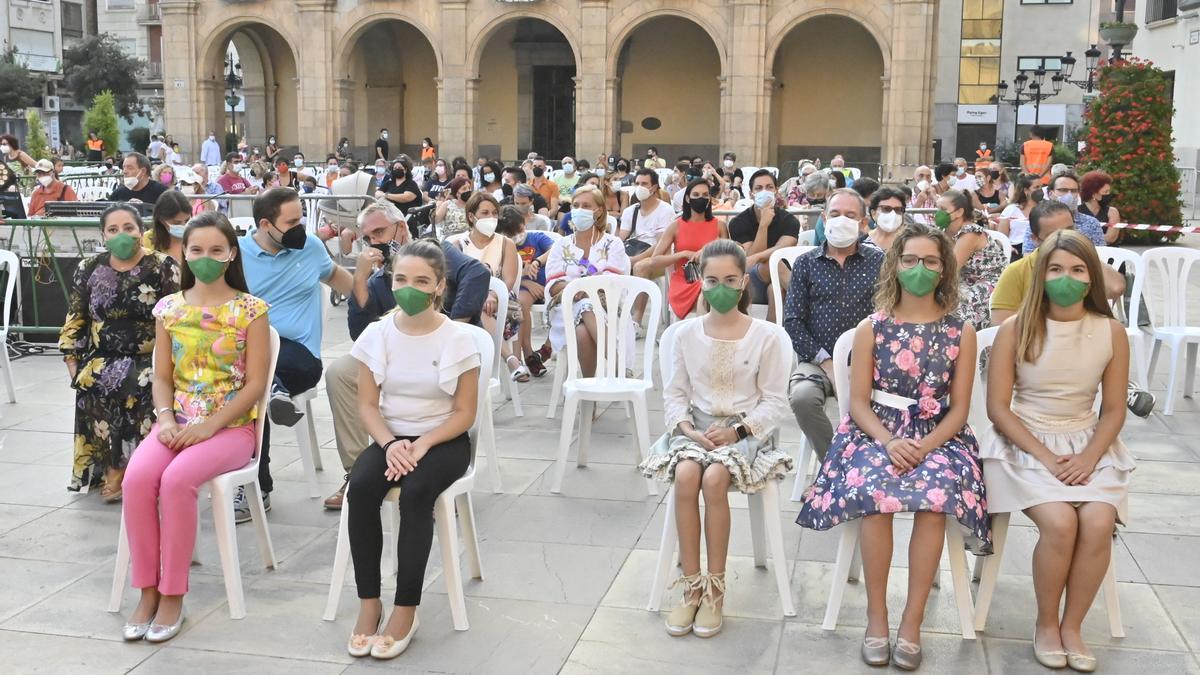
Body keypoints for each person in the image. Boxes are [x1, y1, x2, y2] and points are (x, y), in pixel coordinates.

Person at [796, 223, 989, 669]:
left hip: (940, 435)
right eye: (909, 260)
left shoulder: (961, 331)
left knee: (935, 498)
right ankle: (877, 616)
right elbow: (858, 404)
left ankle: (912, 621)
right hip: (876, 431)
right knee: (875, 493)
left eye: (930, 261)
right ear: (895, 266)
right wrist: (889, 441)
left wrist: (923, 446)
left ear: (944, 270)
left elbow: (960, 410)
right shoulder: (872, 328)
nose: (919, 268)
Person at [981, 229, 1133, 672]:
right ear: (1040, 275)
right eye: (1055, 269)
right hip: (1024, 442)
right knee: (1062, 521)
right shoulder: (1016, 328)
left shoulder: (1111, 331)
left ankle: (1074, 626)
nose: (1065, 278)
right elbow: (997, 409)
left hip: (1087, 441)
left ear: (1092, 279)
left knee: (1099, 518)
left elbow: (1113, 410)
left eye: (1077, 270)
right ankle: (1046, 624)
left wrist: (1088, 457)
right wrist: (1046, 457)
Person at [119, 211, 268, 644]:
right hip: (176, 421)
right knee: (138, 479)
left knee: (177, 480)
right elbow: (162, 376)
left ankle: (172, 595)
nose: (205, 257)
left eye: (216, 250)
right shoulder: (168, 308)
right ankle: (146, 590)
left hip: (231, 427)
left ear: (231, 254)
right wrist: (165, 419)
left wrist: (210, 426)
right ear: (184, 252)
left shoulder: (250, 310)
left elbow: (256, 384)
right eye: (197, 249)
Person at [640, 239, 792, 638]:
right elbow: (674, 392)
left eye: (729, 279)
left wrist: (736, 431)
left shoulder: (767, 336)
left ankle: (716, 590)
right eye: (711, 280)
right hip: (697, 427)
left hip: (746, 429)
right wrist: (687, 427)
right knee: (688, 475)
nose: (720, 287)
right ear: (699, 281)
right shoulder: (685, 333)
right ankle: (691, 587)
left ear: (743, 282)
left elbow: (776, 402)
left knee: (713, 479)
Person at [342, 239, 481, 661]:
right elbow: (367, 405)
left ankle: (406, 609)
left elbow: (464, 413)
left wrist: (420, 445)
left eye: (421, 281)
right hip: (391, 437)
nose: (409, 288)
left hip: (443, 439)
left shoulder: (457, 338)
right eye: (401, 278)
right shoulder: (377, 333)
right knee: (361, 488)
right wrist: (390, 444)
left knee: (418, 494)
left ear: (439, 286)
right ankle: (370, 603)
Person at [323, 200, 489, 509]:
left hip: (444, 345)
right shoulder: (380, 276)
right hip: (397, 349)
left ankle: (433, 472)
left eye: (380, 232)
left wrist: (458, 322)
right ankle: (357, 468)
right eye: (367, 236)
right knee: (339, 373)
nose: (375, 241)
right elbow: (362, 335)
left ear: (400, 227)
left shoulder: (433, 250)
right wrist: (358, 280)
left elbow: (477, 273)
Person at [237, 188, 355, 521]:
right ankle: (255, 483)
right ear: (265, 224)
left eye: (301, 219)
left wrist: (377, 302)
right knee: (252, 383)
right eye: (291, 222)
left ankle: (256, 489)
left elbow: (341, 280)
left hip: (298, 353)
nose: (299, 228)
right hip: (251, 348)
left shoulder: (311, 248)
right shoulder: (238, 256)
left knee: (255, 382)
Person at [60, 204, 181, 497]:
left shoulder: (163, 266)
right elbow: (76, 316)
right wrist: (72, 359)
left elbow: (179, 317)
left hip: (151, 356)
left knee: (136, 380)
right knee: (93, 379)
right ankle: (111, 465)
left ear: (141, 231)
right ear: (103, 234)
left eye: (128, 228)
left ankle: (134, 468)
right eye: (113, 230)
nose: (121, 235)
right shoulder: (88, 268)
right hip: (102, 355)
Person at [990, 201, 1153, 418]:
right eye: (1053, 235)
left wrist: (1087, 258)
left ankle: (1118, 388)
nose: (1063, 240)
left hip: (1084, 344)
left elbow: (1116, 287)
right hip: (1036, 350)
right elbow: (1000, 325)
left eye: (1069, 231)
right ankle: (1124, 389)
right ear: (1036, 240)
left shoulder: (1083, 267)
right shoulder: (1018, 272)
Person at [783, 189, 885, 459]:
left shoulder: (879, 261)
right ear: (824, 219)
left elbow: (888, 315)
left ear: (864, 223)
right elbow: (792, 321)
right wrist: (827, 363)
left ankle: (870, 466)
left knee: (882, 404)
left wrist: (861, 364)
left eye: (850, 215)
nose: (842, 220)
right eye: (835, 214)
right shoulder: (806, 263)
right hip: (817, 360)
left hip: (869, 361)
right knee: (803, 398)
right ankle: (834, 466)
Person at [545, 185, 632, 377]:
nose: (578, 210)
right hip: (567, 306)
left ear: (598, 210)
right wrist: (577, 290)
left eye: (586, 205)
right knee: (584, 304)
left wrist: (583, 290)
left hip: (606, 306)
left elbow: (612, 280)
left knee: (583, 330)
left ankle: (588, 395)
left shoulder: (612, 243)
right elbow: (552, 282)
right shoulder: (561, 244)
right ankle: (618, 368)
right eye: (575, 205)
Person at [639, 179, 728, 321]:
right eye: (696, 194)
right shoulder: (676, 226)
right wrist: (684, 254)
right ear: (687, 198)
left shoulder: (720, 226)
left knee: (713, 289)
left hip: (713, 277)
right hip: (685, 279)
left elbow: (729, 256)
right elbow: (655, 261)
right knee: (706, 292)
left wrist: (709, 250)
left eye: (705, 195)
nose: (701, 198)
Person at [457, 193, 525, 380]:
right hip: (467, 301)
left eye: (494, 213)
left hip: (501, 302)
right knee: (475, 302)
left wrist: (493, 295)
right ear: (472, 216)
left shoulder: (506, 244)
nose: (491, 218)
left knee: (480, 305)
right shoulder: (458, 243)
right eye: (485, 213)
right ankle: (510, 359)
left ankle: (510, 360)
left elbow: (509, 280)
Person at [728, 169, 801, 323]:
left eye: (769, 187)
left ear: (776, 191)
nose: (764, 192)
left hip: (780, 279)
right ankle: (804, 297)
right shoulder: (738, 222)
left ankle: (771, 338)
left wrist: (757, 257)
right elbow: (749, 260)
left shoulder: (790, 220)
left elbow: (782, 249)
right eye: (758, 188)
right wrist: (763, 225)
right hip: (751, 281)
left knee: (775, 289)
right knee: (774, 262)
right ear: (750, 194)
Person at [498, 205, 556, 378]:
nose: (517, 235)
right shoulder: (505, 247)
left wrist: (537, 262)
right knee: (521, 305)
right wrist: (526, 282)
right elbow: (505, 274)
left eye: (520, 230)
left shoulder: (536, 238)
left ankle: (546, 348)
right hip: (523, 288)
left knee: (562, 308)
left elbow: (555, 250)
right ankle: (528, 353)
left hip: (548, 285)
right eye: (511, 234)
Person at [936, 189, 1006, 329]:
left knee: (951, 303)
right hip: (966, 282)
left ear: (959, 212)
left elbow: (951, 269)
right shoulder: (947, 231)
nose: (938, 214)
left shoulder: (970, 233)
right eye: (937, 209)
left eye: (943, 209)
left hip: (989, 285)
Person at [622, 169, 676, 324]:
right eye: (637, 183)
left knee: (640, 267)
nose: (640, 187)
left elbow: (662, 244)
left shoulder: (665, 210)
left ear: (654, 187)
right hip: (632, 251)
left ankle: (636, 320)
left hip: (657, 256)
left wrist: (635, 260)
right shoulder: (630, 211)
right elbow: (621, 238)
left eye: (644, 184)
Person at [1021, 173, 1105, 255]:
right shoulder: (1038, 221)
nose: (1069, 195)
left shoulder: (1091, 223)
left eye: (1074, 191)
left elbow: (1101, 256)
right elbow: (1028, 257)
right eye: (1063, 190)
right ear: (1050, 194)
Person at [143, 190, 192, 263]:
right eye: (177, 223)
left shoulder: (196, 237)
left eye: (187, 220)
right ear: (162, 220)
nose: (183, 225)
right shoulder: (147, 239)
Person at [1079, 170, 1122, 244]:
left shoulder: (1112, 212)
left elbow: (1110, 238)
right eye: (1105, 192)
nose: (1108, 194)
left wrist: (1084, 238)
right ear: (1093, 194)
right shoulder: (1077, 211)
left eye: (1109, 191)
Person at [998, 174, 1037, 244]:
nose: (1041, 190)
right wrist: (1008, 248)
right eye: (1037, 187)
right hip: (1015, 248)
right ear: (1026, 190)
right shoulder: (1011, 209)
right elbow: (1001, 237)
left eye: (1041, 186)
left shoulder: (1045, 208)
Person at [867, 187, 907, 252]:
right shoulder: (861, 243)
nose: (893, 214)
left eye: (898, 209)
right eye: (886, 209)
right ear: (873, 213)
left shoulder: (908, 244)